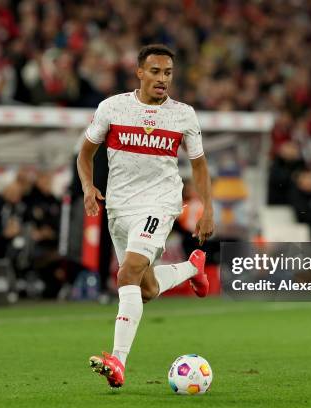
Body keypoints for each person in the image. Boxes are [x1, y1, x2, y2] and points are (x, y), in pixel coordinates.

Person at [76, 44, 214, 388]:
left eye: (168, 73)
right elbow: (85, 154)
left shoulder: (183, 114)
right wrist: (87, 186)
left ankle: (117, 361)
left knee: (128, 272)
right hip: (119, 207)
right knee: (146, 287)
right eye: (155, 72)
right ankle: (191, 268)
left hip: (159, 203)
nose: (162, 79)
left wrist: (207, 208)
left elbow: (198, 165)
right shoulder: (112, 107)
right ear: (140, 73)